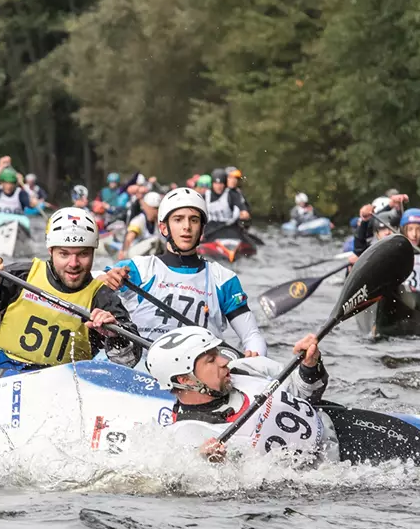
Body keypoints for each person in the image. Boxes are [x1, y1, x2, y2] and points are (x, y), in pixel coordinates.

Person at [0, 208, 140, 376]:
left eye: (83, 254)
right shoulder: (20, 276)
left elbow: (128, 360)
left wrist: (115, 335)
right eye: (64, 254)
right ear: (50, 250)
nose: (73, 264)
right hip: (0, 371)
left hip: (59, 383)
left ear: (93, 252)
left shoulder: (102, 297)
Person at [100, 187, 268, 356]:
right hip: (145, 368)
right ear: (164, 228)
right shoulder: (138, 269)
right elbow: (92, 283)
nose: (186, 227)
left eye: (194, 220)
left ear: (202, 230)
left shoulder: (223, 279)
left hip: (200, 375)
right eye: (178, 219)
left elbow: (252, 336)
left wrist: (254, 358)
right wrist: (107, 280)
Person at [146, 326, 327, 463]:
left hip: (334, 435)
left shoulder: (246, 368)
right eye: (211, 360)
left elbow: (306, 393)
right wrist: (209, 465)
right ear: (186, 380)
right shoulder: (187, 434)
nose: (224, 361)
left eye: (217, 354)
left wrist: (309, 366)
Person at [118, 191, 162, 259]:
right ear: (145, 207)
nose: (155, 212)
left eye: (157, 208)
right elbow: (129, 238)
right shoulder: (139, 220)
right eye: (153, 208)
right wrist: (123, 251)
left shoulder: (161, 221)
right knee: (155, 241)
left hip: (153, 254)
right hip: (136, 252)